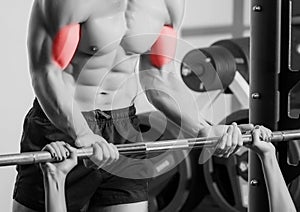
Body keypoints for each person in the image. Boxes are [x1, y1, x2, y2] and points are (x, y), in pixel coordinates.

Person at [13, 0, 253, 211]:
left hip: (124, 127)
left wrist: (203, 128)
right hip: (63, 128)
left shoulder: (168, 4)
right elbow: (46, 73)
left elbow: (159, 77)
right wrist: (83, 133)